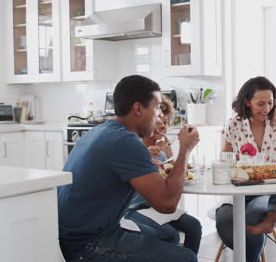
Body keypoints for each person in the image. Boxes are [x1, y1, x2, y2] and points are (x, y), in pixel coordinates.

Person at [57, 75, 200, 262]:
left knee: (167, 236)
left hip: (71, 236)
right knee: (186, 258)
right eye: (156, 107)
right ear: (138, 108)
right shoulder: (125, 141)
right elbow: (167, 204)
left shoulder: (101, 131)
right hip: (88, 244)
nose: (160, 115)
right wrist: (185, 150)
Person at [215, 76, 276, 262]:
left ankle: (248, 258)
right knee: (225, 220)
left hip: (266, 190)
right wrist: (237, 162)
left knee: (254, 215)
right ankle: (251, 257)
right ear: (247, 101)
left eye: (270, 103)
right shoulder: (234, 125)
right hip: (236, 189)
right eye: (261, 103)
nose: (267, 108)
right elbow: (224, 161)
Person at [125, 94, 202, 254]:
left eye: (165, 122)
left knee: (194, 226)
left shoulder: (162, 150)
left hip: (157, 207)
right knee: (169, 234)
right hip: (135, 208)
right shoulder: (135, 148)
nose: (163, 127)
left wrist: (169, 154)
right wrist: (146, 155)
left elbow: (171, 181)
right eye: (158, 122)